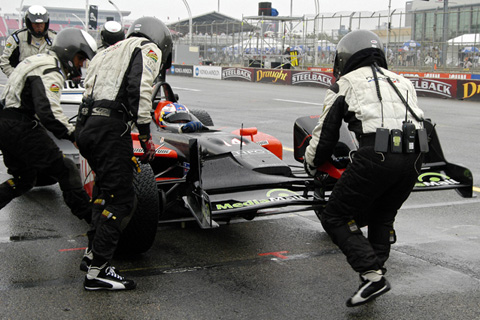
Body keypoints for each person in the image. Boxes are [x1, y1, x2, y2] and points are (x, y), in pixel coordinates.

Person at [304, 30, 425, 307]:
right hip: (416, 158)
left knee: (334, 215)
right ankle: (373, 276)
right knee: (382, 214)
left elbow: (325, 136)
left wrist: (310, 164)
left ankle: (373, 277)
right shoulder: (403, 81)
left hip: (378, 156)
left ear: (345, 56)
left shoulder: (344, 83)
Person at [75, 16, 173, 291]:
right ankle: (99, 271)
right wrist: (145, 133)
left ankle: (92, 254)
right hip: (110, 128)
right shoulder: (146, 48)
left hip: (87, 126)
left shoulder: (106, 51)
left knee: (103, 194)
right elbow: (139, 89)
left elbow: (87, 93)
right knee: (122, 200)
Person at [0, 28, 97, 224]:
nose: (80, 65)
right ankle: (91, 217)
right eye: (80, 59)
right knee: (67, 168)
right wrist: (74, 135)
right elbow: (49, 113)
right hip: (20, 126)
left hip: (6, 123)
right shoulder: (51, 68)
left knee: (24, 179)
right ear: (69, 52)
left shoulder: (36, 60)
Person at [0, 5, 56, 78]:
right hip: (24, 82)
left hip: (47, 81)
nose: (39, 26)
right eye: (35, 24)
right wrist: (16, 77)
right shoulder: (17, 38)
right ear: (29, 23)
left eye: (42, 23)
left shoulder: (54, 38)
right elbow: (4, 61)